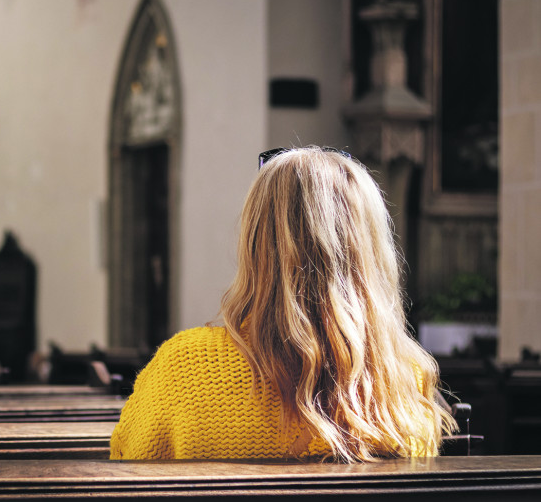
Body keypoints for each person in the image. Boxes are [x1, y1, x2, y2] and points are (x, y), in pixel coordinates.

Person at [110, 146, 456, 462]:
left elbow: (124, 470)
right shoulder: (404, 381)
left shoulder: (184, 368)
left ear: (255, 243)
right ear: (368, 252)